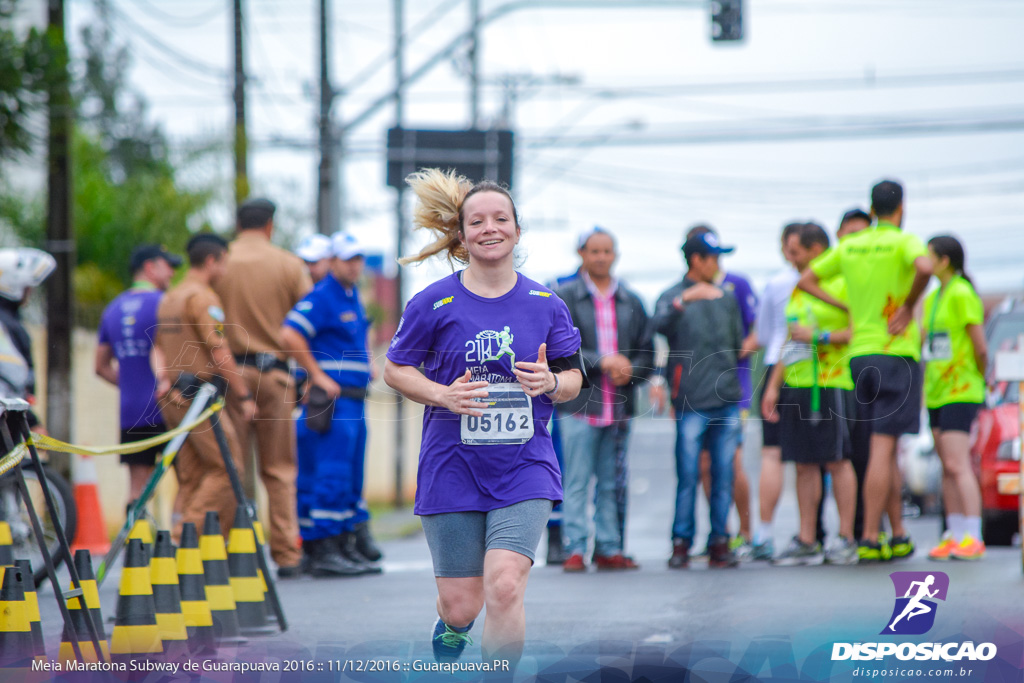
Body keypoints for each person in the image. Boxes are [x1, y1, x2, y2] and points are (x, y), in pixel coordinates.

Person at [383, 169, 583, 668]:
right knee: (462, 604)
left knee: (505, 584)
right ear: (462, 234)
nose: (489, 228)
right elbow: (395, 369)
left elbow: (575, 376)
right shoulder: (432, 303)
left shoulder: (546, 304)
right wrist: (442, 395)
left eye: (500, 218)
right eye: (477, 221)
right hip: (452, 464)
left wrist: (551, 384)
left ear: (517, 229)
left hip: (524, 466)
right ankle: (451, 627)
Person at [799, 179, 933, 562]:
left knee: (884, 449)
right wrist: (909, 304)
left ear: (872, 211)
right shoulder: (903, 241)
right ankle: (872, 537)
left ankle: (898, 533)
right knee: (882, 448)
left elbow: (807, 279)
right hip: (896, 353)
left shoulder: (851, 245)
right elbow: (925, 267)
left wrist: (846, 309)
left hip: (859, 356)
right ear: (901, 208)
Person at [214, 197, 312, 577]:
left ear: (237, 223)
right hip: (275, 378)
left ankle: (234, 551)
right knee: (280, 470)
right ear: (270, 224)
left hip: (229, 378)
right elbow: (307, 321)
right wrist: (305, 375)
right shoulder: (289, 265)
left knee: (232, 466)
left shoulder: (220, 264)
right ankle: (287, 555)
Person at [281, 232, 382, 577]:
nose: (354, 265)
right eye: (347, 259)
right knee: (330, 473)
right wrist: (317, 374)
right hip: (333, 402)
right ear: (332, 261)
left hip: (353, 401)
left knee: (348, 474)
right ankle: (323, 548)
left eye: (358, 258)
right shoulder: (324, 296)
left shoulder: (349, 296)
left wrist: (368, 362)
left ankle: (340, 544)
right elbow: (290, 333)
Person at [553, 226, 653, 572]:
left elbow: (648, 353)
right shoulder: (563, 296)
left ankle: (609, 547)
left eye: (607, 251)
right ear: (581, 254)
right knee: (577, 481)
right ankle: (575, 548)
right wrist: (601, 361)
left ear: (615, 255)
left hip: (619, 407)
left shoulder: (632, 301)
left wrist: (631, 367)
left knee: (612, 483)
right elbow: (558, 349)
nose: (601, 257)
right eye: (594, 251)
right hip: (579, 406)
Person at [761, 223, 859, 566]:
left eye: (796, 251)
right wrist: (774, 386)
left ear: (817, 250)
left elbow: (856, 330)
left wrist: (818, 337)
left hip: (832, 383)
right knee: (803, 463)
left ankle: (845, 537)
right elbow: (791, 339)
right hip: (798, 383)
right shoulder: (799, 288)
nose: (791, 258)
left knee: (836, 460)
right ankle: (807, 539)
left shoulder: (842, 282)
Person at [652, 231, 746, 569]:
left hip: (726, 399)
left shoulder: (726, 298)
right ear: (697, 260)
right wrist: (686, 300)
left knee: (724, 473)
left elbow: (737, 344)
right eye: (714, 258)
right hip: (689, 399)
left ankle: (721, 541)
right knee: (688, 474)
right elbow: (658, 324)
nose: (719, 265)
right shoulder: (671, 296)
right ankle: (681, 543)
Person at [154, 234, 255, 539]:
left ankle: (195, 553)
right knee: (227, 468)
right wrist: (244, 395)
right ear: (212, 260)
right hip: (197, 396)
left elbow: (157, 347)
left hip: (172, 394)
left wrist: (162, 380)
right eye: (224, 263)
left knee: (193, 475)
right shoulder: (203, 298)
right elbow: (219, 351)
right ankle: (181, 537)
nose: (225, 271)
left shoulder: (171, 296)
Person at [682, 224, 758, 556]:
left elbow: (756, 331)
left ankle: (746, 532)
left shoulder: (736, 285)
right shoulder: (685, 292)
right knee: (701, 466)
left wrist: (730, 355)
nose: (714, 261)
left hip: (732, 389)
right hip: (696, 393)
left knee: (732, 462)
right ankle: (719, 532)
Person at [96, 245, 182, 508]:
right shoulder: (164, 303)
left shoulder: (112, 309)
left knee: (138, 489)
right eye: (168, 265)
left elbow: (100, 366)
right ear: (149, 267)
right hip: (169, 407)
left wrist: (132, 385)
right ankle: (181, 543)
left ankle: (135, 545)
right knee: (189, 481)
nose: (172, 272)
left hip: (132, 411)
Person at [922, 236, 987, 561]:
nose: (923, 261)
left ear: (944, 260)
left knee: (958, 463)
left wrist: (979, 376)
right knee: (946, 466)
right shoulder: (934, 296)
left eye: (928, 255)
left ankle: (973, 536)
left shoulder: (962, 292)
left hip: (960, 390)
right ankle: (955, 533)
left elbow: (979, 346)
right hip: (935, 391)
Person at [748, 223, 804, 560]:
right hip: (820, 370)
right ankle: (814, 535)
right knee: (814, 461)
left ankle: (764, 535)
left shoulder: (777, 284)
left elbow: (765, 335)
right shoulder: (832, 282)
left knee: (773, 454)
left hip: (777, 370)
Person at [0, 248, 57, 428]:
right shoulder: (8, 325)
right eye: (28, 287)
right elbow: (11, 381)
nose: (30, 292)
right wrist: (32, 422)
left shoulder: (10, 321)